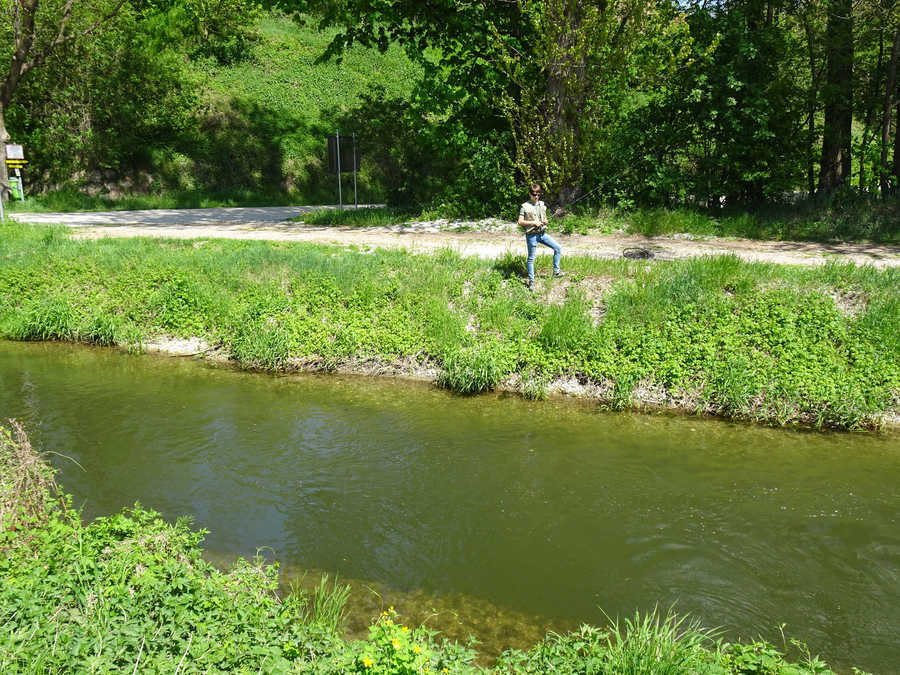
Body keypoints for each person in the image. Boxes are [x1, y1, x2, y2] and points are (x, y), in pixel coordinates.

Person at [518, 183, 564, 289]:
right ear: (530, 194)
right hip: (531, 236)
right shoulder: (524, 206)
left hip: (543, 234)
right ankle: (532, 282)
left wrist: (545, 221)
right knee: (531, 259)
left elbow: (544, 217)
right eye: (534, 194)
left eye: (538, 194)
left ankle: (556, 272)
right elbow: (520, 221)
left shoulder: (542, 204)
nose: (536, 197)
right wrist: (534, 223)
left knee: (558, 248)